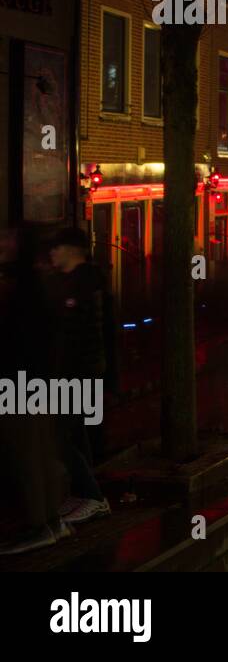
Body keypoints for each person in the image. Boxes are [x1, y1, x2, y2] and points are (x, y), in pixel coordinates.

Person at [0, 225, 70, 555]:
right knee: (42, 449)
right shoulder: (45, 282)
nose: (3, 243)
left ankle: (36, 524)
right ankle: (52, 519)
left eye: (7, 238)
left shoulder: (21, 286)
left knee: (26, 453)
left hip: (20, 380)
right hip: (40, 379)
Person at [47, 227, 112, 527]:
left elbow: (74, 335)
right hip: (79, 371)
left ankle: (93, 496)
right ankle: (85, 492)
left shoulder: (82, 285)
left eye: (57, 248)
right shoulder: (80, 281)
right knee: (75, 432)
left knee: (60, 434)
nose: (52, 254)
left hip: (77, 373)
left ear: (72, 250)